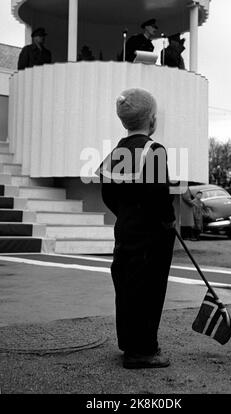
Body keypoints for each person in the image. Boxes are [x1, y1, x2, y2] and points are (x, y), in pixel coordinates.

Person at [99, 88, 176, 369]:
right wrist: (168, 221)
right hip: (152, 235)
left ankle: (129, 343)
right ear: (152, 120)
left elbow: (107, 193)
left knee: (127, 286)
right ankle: (143, 350)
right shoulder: (153, 150)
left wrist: (126, 214)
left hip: (126, 230)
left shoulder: (117, 151)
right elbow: (159, 194)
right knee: (150, 290)